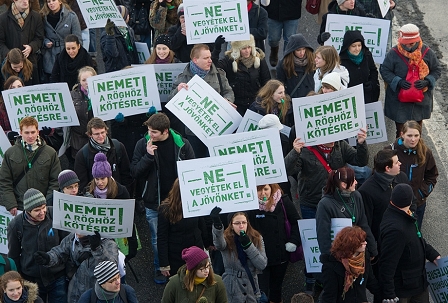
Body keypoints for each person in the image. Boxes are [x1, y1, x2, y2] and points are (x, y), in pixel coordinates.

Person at [284, 127, 368, 293]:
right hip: (311, 203)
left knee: (335, 238)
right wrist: (295, 152)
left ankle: (333, 273)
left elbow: (361, 161)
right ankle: (311, 278)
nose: (333, 138)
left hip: (335, 202)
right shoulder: (307, 151)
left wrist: (362, 143)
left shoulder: (341, 146)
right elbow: (288, 170)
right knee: (313, 243)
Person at [130, 113, 194, 284]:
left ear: (165, 131)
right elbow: (135, 171)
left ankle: (182, 266)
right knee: (157, 238)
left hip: (178, 201)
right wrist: (148, 156)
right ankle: (160, 268)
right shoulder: (143, 144)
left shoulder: (182, 144)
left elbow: (193, 169)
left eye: (154, 132)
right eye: (149, 131)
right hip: (154, 202)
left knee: (181, 235)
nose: (150, 135)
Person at [168, 43, 234, 158]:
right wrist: (177, 91)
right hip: (193, 131)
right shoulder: (182, 78)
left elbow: (228, 91)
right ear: (195, 60)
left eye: (210, 57)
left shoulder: (219, 74)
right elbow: (170, 101)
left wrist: (227, 100)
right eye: (206, 58)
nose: (210, 60)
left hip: (216, 129)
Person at [379, 184, 440, 302]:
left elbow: (417, 238)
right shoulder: (396, 230)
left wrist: (432, 255)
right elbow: (387, 264)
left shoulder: (406, 215)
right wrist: (389, 293)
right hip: (403, 289)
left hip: (417, 283)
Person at [7, 189, 68, 303]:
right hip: (32, 280)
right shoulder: (15, 225)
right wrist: (19, 280)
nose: (42, 212)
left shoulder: (55, 214)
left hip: (57, 277)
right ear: (28, 211)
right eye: (37, 210)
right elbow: (13, 256)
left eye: (44, 207)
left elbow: (66, 245)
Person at [380, 24, 441, 138]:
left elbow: (436, 70)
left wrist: (427, 81)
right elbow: (385, 70)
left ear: (417, 40)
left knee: (416, 133)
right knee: (401, 133)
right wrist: (398, 81)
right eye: (405, 43)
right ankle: (400, 153)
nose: (407, 46)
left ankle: (416, 154)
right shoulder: (393, 53)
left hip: (420, 101)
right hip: (399, 102)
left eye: (411, 43)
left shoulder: (427, 52)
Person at [248, 183, 301, 303]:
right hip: (259, 256)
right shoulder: (249, 205)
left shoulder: (283, 201)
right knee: (261, 291)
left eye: (266, 189)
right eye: (259, 190)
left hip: (280, 255)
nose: (263, 193)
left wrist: (293, 241)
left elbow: (296, 223)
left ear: (272, 189)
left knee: (276, 289)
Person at [33, 230, 119, 303]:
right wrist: (48, 258)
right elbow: (60, 252)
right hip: (74, 291)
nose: (76, 229)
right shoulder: (72, 238)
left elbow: (112, 266)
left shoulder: (108, 243)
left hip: (96, 293)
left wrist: (97, 249)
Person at [0, 116, 61, 215]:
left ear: (38, 131)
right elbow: (4, 180)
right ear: (20, 133)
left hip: (42, 208)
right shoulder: (10, 153)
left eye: (33, 132)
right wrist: (11, 203)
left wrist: (46, 203)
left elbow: (55, 181)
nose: (30, 136)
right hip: (20, 207)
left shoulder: (50, 153)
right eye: (27, 132)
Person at [385, 120, 438, 228]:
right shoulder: (389, 151)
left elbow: (432, 176)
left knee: (414, 235)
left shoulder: (426, 152)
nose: (413, 139)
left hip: (417, 203)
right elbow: (379, 174)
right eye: (409, 135)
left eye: (416, 135)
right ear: (402, 134)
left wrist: (421, 194)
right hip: (394, 204)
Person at [315, 167, 377, 258]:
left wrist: (372, 249)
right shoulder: (325, 204)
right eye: (354, 180)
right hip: (339, 256)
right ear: (344, 185)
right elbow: (323, 237)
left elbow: (363, 224)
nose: (356, 182)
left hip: (358, 252)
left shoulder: (356, 196)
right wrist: (331, 260)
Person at [211, 208, 268, 303]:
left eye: (244, 222)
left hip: (251, 286)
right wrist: (217, 226)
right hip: (232, 286)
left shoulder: (256, 237)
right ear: (231, 225)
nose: (241, 226)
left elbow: (262, 264)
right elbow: (219, 244)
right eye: (237, 223)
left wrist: (249, 246)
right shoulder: (226, 237)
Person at [158, 179, 209, 278]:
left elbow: (201, 225)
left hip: (196, 251)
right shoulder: (165, 209)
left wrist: (208, 243)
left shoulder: (196, 203)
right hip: (176, 255)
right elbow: (162, 237)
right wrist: (164, 264)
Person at [358, 149, 409, 243]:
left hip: (404, 235)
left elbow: (411, 202)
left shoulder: (402, 177)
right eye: (397, 162)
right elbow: (366, 223)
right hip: (383, 241)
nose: (400, 163)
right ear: (387, 168)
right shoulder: (366, 191)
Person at [213, 34, 271, 116]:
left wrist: (264, 100)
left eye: (249, 47)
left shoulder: (259, 59)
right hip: (237, 104)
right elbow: (213, 67)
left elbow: (266, 81)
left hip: (255, 103)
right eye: (244, 48)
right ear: (237, 49)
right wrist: (217, 49)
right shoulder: (230, 60)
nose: (247, 51)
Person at [74, 117, 132, 193]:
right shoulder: (82, 155)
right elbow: (82, 184)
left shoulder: (118, 147)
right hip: (95, 198)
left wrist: (125, 195)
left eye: (102, 132)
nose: (101, 136)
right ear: (90, 135)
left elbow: (126, 175)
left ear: (106, 131)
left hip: (117, 195)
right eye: (97, 134)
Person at [320, 226, 379, 303]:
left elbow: (371, 280)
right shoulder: (330, 267)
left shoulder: (365, 256)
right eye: (362, 241)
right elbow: (330, 296)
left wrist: (385, 294)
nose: (366, 243)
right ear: (352, 244)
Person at [161, 246, 228, 303]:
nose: (207, 271)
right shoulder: (174, 284)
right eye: (202, 269)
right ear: (193, 270)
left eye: (208, 266)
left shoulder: (218, 282)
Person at [40, 0, 81, 82]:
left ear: (60, 1)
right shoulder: (42, 16)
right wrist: (45, 42)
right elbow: (40, 36)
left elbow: (78, 39)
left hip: (66, 54)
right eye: (48, 1)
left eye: (53, 0)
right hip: (49, 56)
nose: (51, 3)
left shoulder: (71, 16)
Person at [339, 30, 380, 104]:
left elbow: (373, 70)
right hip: (350, 98)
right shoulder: (341, 60)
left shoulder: (367, 55)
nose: (357, 49)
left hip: (367, 96)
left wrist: (372, 83)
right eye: (353, 46)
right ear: (347, 46)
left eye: (359, 45)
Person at [0, 0, 44, 66]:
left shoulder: (36, 17)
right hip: (9, 64)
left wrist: (31, 47)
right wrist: (9, 54)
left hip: (30, 63)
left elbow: (39, 38)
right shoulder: (2, 19)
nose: (25, 1)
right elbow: (0, 42)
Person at [261, 0, 302, 67]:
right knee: (273, 39)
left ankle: (287, 60)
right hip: (273, 11)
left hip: (292, 10)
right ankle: (274, 51)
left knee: (289, 39)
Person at [69, 66, 96, 164]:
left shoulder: (101, 93)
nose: (87, 82)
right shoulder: (72, 95)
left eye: (89, 79)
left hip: (97, 139)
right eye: (84, 80)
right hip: (78, 141)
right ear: (79, 81)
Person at [100, 6, 139, 72]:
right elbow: (112, 54)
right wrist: (110, 36)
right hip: (115, 71)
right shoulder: (106, 33)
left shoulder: (129, 30)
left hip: (130, 68)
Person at [276, 34, 315, 99]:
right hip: (293, 99)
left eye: (303, 49)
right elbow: (279, 84)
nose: (302, 53)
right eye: (298, 50)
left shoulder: (312, 60)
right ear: (292, 50)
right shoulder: (284, 64)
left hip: (310, 98)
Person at [1, 76, 24, 141]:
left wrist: (48, 131)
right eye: (12, 88)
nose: (16, 90)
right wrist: (8, 134)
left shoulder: (32, 104)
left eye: (19, 87)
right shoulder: (1, 109)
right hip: (13, 145)